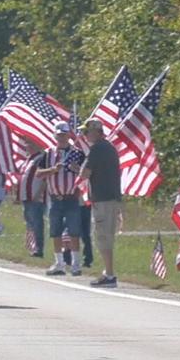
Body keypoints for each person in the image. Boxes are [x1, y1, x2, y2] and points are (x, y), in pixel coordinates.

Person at [36, 121, 86, 276]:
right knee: (55, 231)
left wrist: (77, 169)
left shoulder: (77, 153)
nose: (61, 138)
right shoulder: (48, 153)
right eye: (59, 135)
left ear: (68, 135)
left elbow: (86, 174)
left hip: (71, 197)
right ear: (55, 136)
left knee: (74, 231)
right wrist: (52, 169)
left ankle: (76, 264)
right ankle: (59, 263)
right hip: (55, 198)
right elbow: (38, 173)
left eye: (64, 134)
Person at [78, 119, 122, 288]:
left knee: (103, 237)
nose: (85, 135)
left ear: (96, 132)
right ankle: (108, 272)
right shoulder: (110, 148)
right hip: (111, 198)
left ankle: (109, 274)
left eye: (86, 132)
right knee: (105, 235)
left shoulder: (97, 149)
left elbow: (84, 173)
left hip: (103, 199)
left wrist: (79, 168)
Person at [18, 138, 47, 257]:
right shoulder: (28, 160)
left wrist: (39, 193)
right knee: (29, 223)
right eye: (26, 143)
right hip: (26, 197)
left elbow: (45, 178)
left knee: (37, 223)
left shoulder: (41, 158)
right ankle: (32, 246)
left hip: (36, 198)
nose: (27, 145)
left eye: (29, 143)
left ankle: (39, 249)